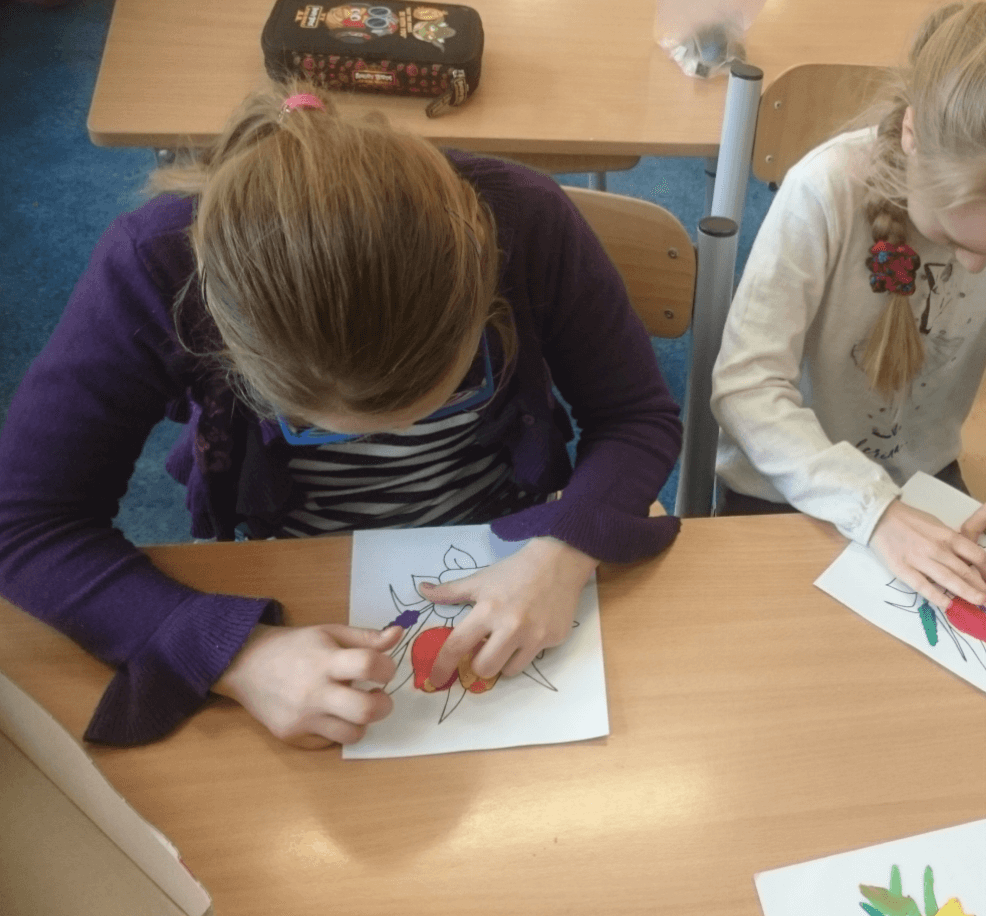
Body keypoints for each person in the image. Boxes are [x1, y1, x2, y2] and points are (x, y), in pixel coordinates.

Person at [0, 83, 682, 748]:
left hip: (508, 540)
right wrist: (236, 654)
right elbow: (24, 520)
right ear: (233, 355)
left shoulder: (525, 221)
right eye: (311, 424)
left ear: (483, 299)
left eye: (445, 395)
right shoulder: (155, 265)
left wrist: (564, 550)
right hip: (289, 558)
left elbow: (635, 415)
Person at [710, 0, 986, 622]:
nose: (977, 266)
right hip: (785, 485)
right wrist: (875, 512)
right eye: (957, 240)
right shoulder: (825, 191)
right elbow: (746, 387)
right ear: (913, 135)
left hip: (923, 481)